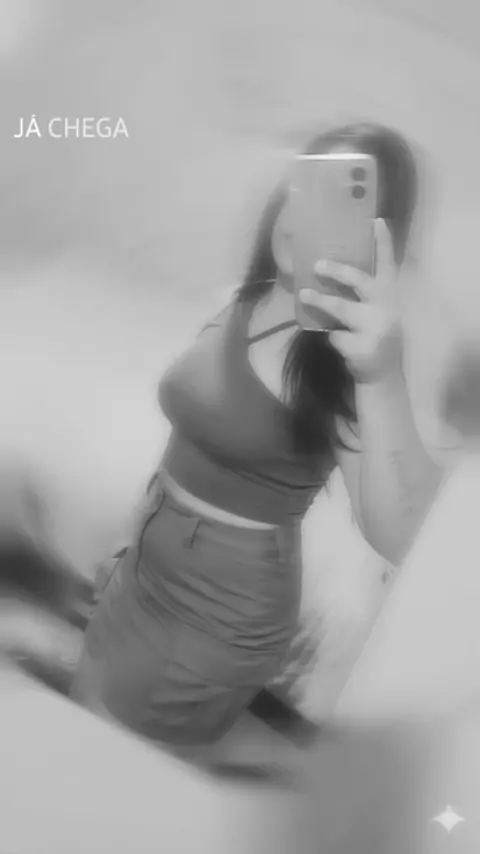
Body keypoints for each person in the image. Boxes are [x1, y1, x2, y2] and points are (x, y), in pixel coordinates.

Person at [70, 122, 442, 756]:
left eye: (342, 202)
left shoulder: (342, 359)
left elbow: (399, 533)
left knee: (106, 756)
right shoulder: (250, 297)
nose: (304, 214)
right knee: (88, 717)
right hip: (141, 576)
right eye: (305, 185)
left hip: (214, 619)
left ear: (375, 237)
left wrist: (381, 377)